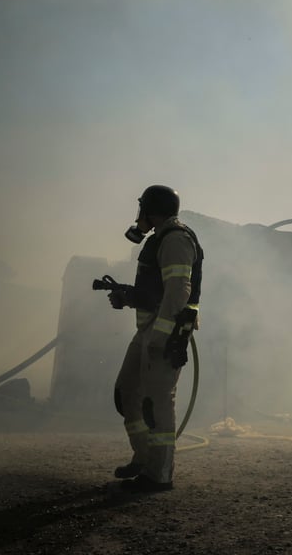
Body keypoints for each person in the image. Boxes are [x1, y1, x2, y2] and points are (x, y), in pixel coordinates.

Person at [102, 184, 203, 492]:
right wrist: (128, 297)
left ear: (150, 209)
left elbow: (177, 292)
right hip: (149, 330)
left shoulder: (175, 240)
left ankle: (158, 475)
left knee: (156, 401)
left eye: (142, 209)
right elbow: (155, 293)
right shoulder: (159, 239)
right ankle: (143, 458)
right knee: (127, 392)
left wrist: (161, 336)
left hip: (165, 332)